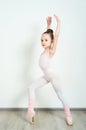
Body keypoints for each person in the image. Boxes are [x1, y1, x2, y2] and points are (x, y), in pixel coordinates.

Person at [28, 15, 73, 125]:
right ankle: (31, 111)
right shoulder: (44, 51)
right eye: (41, 40)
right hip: (46, 76)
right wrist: (48, 25)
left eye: (45, 40)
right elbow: (49, 35)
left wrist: (58, 23)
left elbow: (55, 36)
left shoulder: (51, 51)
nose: (43, 41)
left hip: (53, 76)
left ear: (51, 41)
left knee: (60, 95)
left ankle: (68, 116)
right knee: (31, 87)